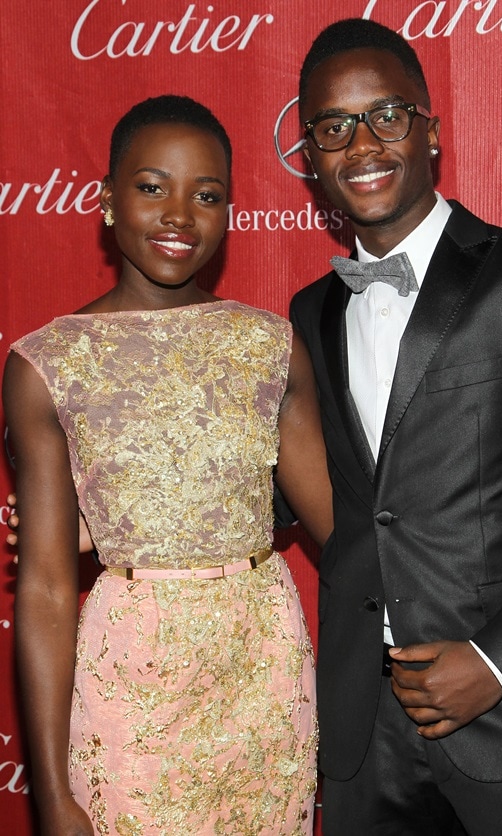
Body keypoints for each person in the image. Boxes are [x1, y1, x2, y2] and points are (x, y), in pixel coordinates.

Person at [289, 17, 502, 836]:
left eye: (387, 115)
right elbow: (328, 491)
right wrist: (106, 522)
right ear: (311, 158)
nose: (362, 144)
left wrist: (499, 662)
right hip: (361, 733)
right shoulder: (309, 314)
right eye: (333, 127)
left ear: (432, 128)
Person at [2, 94, 332, 836]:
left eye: (207, 194)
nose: (180, 213)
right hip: (131, 681)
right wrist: (52, 795)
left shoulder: (268, 345)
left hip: (263, 673)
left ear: (230, 213)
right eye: (153, 187)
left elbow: (343, 528)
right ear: (107, 201)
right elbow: (49, 588)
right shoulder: (46, 363)